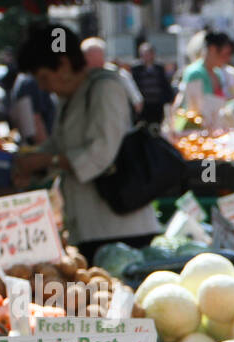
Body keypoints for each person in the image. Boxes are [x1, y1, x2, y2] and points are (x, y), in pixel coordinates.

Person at [11, 24, 160, 262]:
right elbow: (59, 144)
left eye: (44, 78)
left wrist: (48, 160)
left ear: (64, 65)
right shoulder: (69, 97)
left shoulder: (105, 89)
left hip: (120, 229)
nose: (43, 87)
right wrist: (32, 163)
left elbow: (101, 153)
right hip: (87, 227)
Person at [178, 32, 234, 128]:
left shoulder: (217, 73)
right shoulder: (195, 73)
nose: (228, 59)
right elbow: (195, 109)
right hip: (196, 131)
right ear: (212, 49)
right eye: (225, 54)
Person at [81, 38, 143, 117]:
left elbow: (137, 100)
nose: (95, 64)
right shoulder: (77, 76)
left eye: (98, 60)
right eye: (91, 60)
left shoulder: (118, 74)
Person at [9, 71, 55, 145]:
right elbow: (35, 120)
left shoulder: (25, 80)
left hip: (35, 144)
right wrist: (46, 149)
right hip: (38, 145)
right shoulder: (32, 83)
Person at [132, 43, 171, 126]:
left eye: (148, 54)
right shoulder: (136, 69)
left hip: (157, 105)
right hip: (144, 105)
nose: (146, 57)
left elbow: (165, 85)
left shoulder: (159, 68)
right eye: (144, 55)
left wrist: (168, 100)